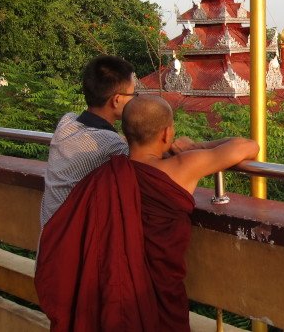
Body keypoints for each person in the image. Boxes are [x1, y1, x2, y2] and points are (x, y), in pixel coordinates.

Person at [35, 95, 259, 332]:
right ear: (166, 134)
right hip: (159, 297)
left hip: (110, 296)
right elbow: (248, 146)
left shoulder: (107, 175)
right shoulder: (181, 167)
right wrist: (195, 147)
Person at [39, 55, 137, 227]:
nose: (134, 100)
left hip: (49, 240)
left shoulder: (66, 122)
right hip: (77, 244)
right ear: (116, 100)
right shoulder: (113, 145)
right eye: (132, 94)